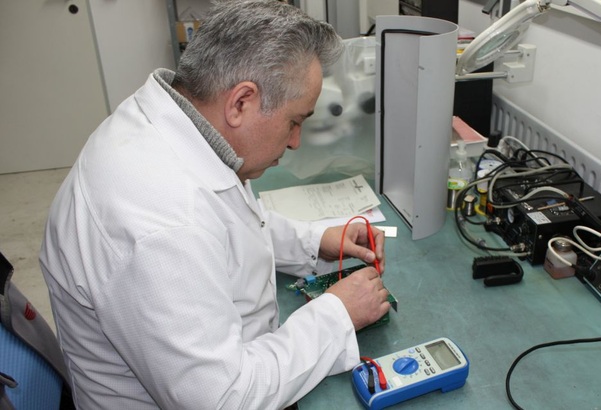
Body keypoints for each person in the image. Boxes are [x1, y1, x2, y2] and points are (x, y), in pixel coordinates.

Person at [39, 1, 390, 408]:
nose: (295, 141)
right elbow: (223, 398)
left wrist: (314, 241)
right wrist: (337, 315)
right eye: (295, 121)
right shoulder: (162, 221)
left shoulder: (174, 123)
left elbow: (224, 223)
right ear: (241, 102)